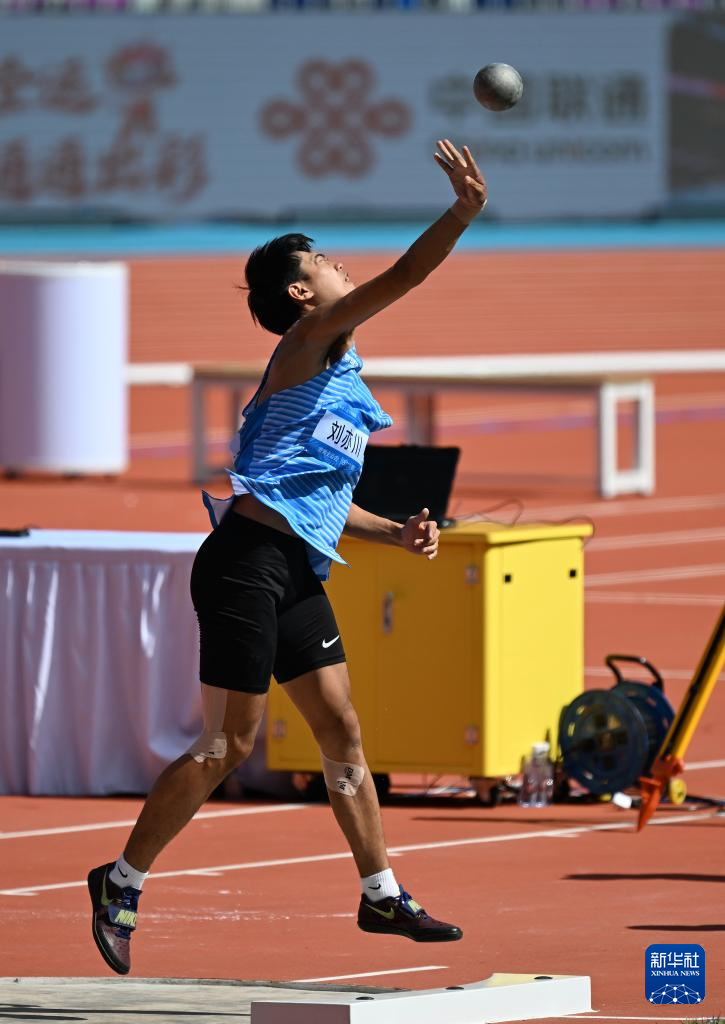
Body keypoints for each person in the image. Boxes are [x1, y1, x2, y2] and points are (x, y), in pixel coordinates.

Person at [88, 139, 487, 976]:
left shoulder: (341, 376)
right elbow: (405, 276)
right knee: (228, 745)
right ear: (302, 294)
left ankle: (380, 892)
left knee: (340, 725)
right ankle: (120, 881)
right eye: (323, 262)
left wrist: (396, 533)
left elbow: (322, 505)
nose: (340, 266)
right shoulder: (308, 341)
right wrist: (459, 214)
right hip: (242, 564)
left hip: (294, 566)